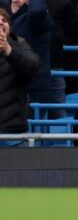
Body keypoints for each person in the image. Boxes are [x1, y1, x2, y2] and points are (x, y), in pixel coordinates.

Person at [0, 8, 40, 138]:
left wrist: (8, 50)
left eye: (4, 20)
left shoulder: (20, 44)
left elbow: (32, 69)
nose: (1, 23)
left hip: (13, 132)